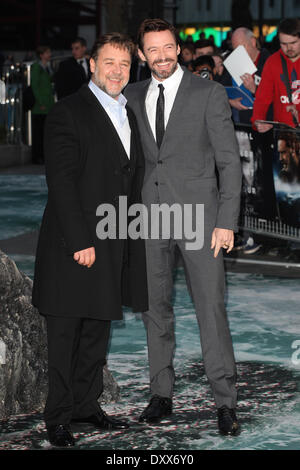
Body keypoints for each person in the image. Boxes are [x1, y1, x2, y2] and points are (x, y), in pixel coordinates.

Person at [125, 18, 242, 436]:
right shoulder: (131, 95)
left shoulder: (208, 93)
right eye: (152, 50)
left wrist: (226, 221)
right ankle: (161, 393)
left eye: (167, 48)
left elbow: (229, 162)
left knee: (210, 308)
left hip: (201, 221)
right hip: (148, 218)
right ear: (141, 53)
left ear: (179, 48)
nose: (160, 56)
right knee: (154, 309)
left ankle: (225, 401)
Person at [32, 33, 148, 447]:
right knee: (65, 337)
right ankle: (58, 417)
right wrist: (81, 240)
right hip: (72, 246)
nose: (117, 71)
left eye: (124, 65)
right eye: (109, 63)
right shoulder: (68, 112)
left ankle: (86, 406)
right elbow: (61, 183)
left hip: (113, 241)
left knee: (97, 331)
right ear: (93, 66)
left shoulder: (128, 113)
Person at [252, 18, 300, 133]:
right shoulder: (273, 62)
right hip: (283, 134)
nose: (289, 48)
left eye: (293, 43)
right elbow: (262, 98)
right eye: (284, 44)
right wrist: (258, 121)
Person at [30, 46, 54, 164]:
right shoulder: (36, 67)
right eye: (47, 52)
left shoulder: (48, 67)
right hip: (40, 106)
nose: (49, 54)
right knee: (38, 132)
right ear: (41, 55)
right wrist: (40, 102)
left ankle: (43, 156)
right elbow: (34, 86)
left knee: (45, 132)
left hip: (48, 104)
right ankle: (37, 156)